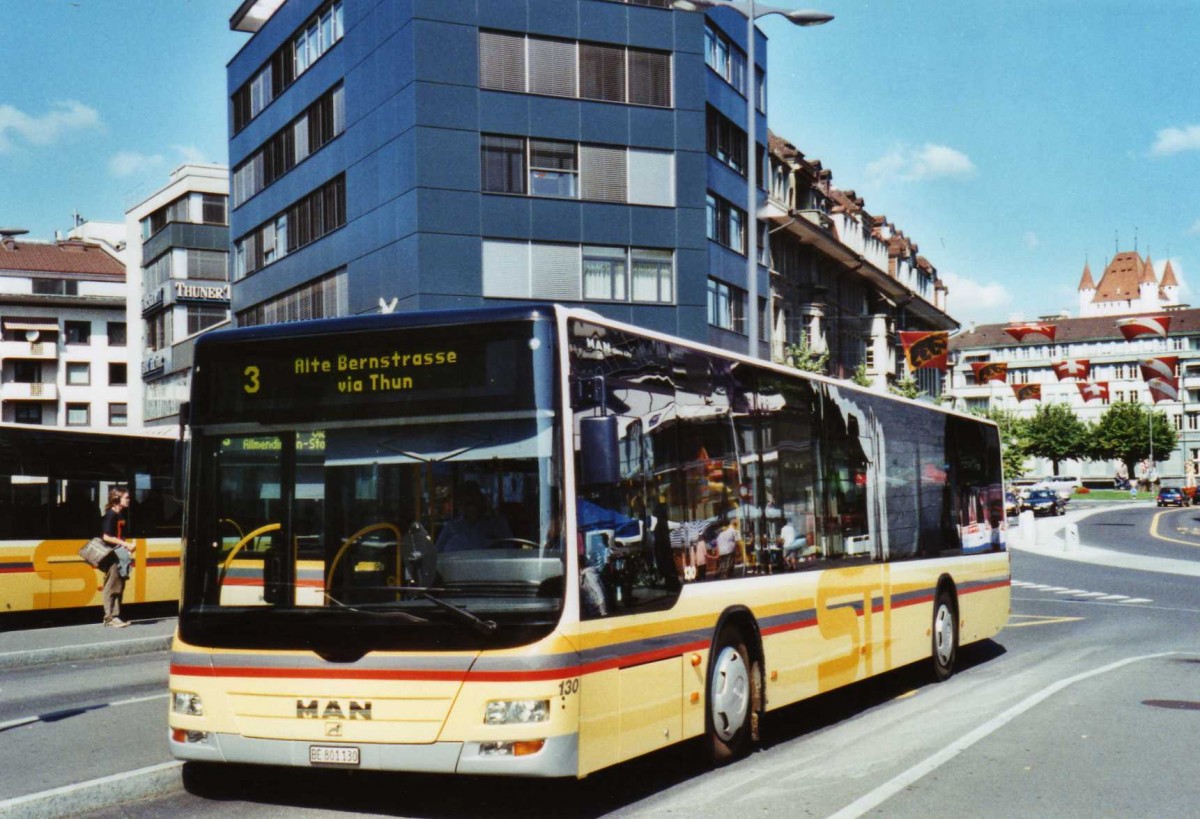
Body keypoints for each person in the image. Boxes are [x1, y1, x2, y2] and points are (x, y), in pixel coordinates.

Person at [435, 481, 512, 552]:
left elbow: (508, 551)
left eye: (472, 501)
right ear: (460, 504)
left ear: (481, 500)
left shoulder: (497, 524)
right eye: (465, 502)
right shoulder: (451, 527)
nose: (469, 507)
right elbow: (438, 554)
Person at [100, 487, 135, 627]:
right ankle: (109, 617)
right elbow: (106, 536)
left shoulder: (120, 515)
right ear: (116, 499)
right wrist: (125, 544)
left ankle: (116, 615)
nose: (128, 500)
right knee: (112, 585)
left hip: (119, 553)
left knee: (119, 585)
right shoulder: (111, 515)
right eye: (126, 497)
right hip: (113, 554)